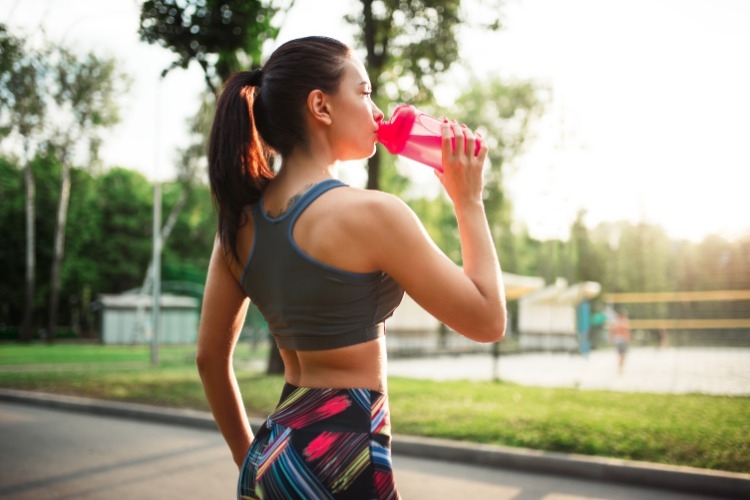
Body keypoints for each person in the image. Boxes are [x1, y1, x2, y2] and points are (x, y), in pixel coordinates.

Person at [196, 36, 507, 500]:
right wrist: (468, 201)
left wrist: (254, 462)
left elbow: (209, 360)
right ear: (320, 106)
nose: (378, 110)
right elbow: (487, 320)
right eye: (363, 93)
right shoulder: (374, 215)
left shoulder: (237, 227)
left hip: (270, 456)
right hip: (342, 461)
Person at [610, 308, 631, 373]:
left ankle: (620, 367)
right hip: (623, 339)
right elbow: (626, 332)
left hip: (617, 339)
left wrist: (612, 338)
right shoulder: (625, 322)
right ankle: (621, 367)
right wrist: (629, 338)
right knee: (623, 354)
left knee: (620, 354)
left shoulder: (616, 323)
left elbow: (613, 331)